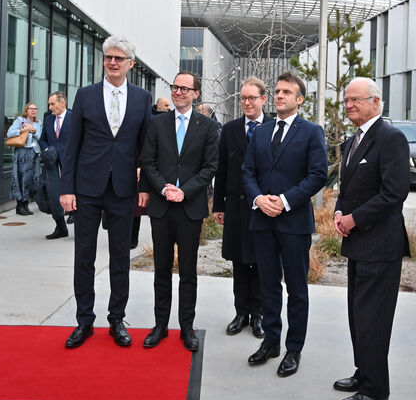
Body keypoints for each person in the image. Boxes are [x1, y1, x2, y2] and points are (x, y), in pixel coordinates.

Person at [59, 36, 152, 349]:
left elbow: (146, 149)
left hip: (123, 189)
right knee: (83, 256)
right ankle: (84, 321)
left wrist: (144, 188)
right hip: (87, 188)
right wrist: (66, 188)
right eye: (108, 57)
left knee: (120, 258)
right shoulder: (85, 96)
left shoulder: (142, 98)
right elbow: (70, 147)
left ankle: (116, 318)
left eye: (119, 58)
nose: (112, 62)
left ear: (130, 64)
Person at [330, 78, 410, 400]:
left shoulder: (391, 138)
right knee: (358, 315)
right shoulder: (353, 140)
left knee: (373, 319)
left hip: (380, 246)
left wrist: (355, 219)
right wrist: (338, 209)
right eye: (346, 100)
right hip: (358, 245)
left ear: (376, 102)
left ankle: (377, 390)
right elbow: (347, 186)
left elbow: (394, 194)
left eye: (355, 100)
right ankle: (365, 373)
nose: (348, 105)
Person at [241, 71, 328, 377]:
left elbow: (318, 174)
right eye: (277, 91)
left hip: (294, 223)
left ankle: (293, 349)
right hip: (262, 221)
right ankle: (271, 342)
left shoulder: (311, 132)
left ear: (299, 99)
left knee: (296, 288)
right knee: (267, 287)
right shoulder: (261, 132)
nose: (279, 96)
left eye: (286, 92)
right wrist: (259, 199)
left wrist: (285, 200)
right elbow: (247, 171)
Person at [140, 71, 219, 352]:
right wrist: (164, 189)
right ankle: (160, 325)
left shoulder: (208, 127)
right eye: (175, 87)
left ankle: (187, 327)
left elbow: (210, 167)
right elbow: (147, 162)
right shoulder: (157, 123)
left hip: (190, 207)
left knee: (188, 271)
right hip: (162, 206)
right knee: (161, 269)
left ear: (196, 94)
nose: (178, 92)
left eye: (185, 88)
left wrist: (184, 190)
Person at [212, 77, 268, 338]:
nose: (246, 103)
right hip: (235, 205)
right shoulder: (231, 129)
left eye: (252, 98)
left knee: (259, 261)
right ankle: (240, 312)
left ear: (263, 100)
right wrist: (218, 205)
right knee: (238, 261)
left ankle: (258, 314)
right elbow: (222, 170)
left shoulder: (273, 126)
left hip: (263, 206)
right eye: (243, 98)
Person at [39, 91, 71, 240]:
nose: (50, 107)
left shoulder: (74, 118)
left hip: (69, 163)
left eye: (52, 104)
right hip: (51, 164)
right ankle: (60, 227)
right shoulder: (47, 119)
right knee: (52, 195)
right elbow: (42, 139)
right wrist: (47, 149)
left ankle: (78, 221)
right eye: (49, 104)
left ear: (62, 103)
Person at [7, 102, 42, 216]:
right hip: (23, 152)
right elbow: (9, 133)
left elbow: (40, 137)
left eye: (35, 109)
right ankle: (20, 205)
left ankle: (26, 204)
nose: (33, 110)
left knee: (33, 179)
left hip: (35, 153)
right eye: (31, 108)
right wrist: (24, 130)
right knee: (22, 178)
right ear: (26, 110)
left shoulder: (38, 123)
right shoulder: (20, 120)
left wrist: (34, 131)